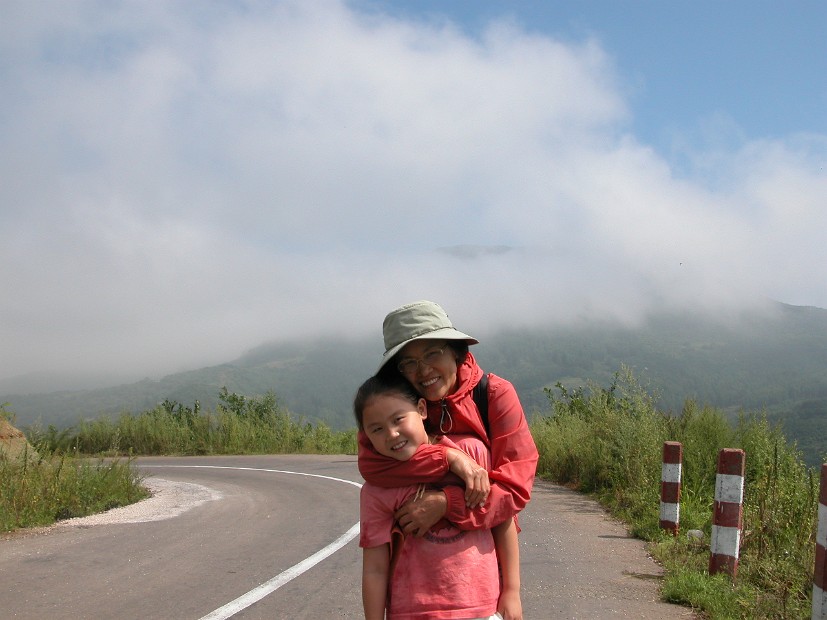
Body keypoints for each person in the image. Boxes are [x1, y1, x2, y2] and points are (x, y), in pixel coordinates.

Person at [358, 300, 539, 536]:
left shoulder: (494, 395)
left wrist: (445, 504)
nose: (423, 371)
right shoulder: (392, 409)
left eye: (432, 354)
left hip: (483, 551)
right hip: (413, 557)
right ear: (397, 371)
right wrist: (449, 458)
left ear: (455, 351)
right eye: (409, 363)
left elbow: (515, 485)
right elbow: (372, 465)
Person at [355, 374, 521, 620]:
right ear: (366, 437)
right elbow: (375, 570)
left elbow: (502, 520)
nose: (391, 434)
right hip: (410, 611)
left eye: (398, 419)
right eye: (377, 429)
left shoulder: (471, 454)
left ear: (421, 409)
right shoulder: (377, 490)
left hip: (481, 608)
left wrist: (512, 592)